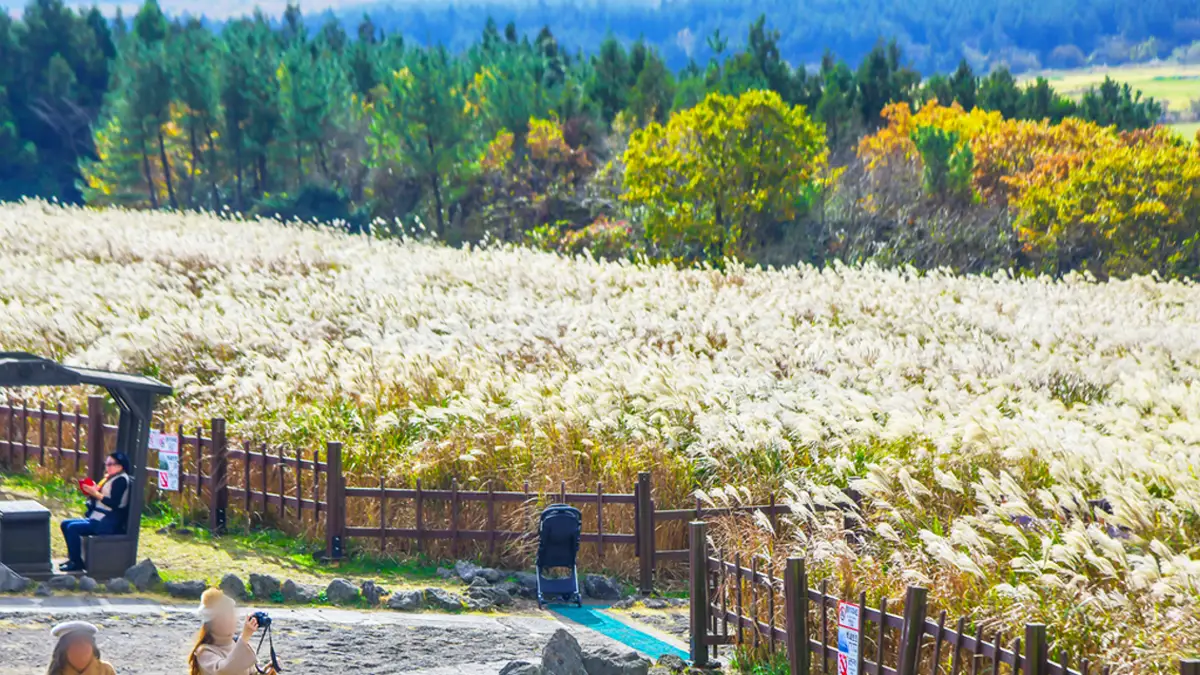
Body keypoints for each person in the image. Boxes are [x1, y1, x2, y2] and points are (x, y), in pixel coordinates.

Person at [59, 452, 132, 572]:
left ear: (120, 467)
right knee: (65, 524)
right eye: (106, 464)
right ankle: (73, 558)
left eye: (110, 464)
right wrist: (92, 491)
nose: (107, 467)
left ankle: (77, 563)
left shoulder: (121, 480)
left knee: (73, 528)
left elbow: (114, 503)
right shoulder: (109, 478)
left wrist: (96, 494)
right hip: (98, 517)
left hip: (108, 522)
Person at [189, 588, 275, 675]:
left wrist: (267, 671)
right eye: (225, 617)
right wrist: (245, 637)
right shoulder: (204, 652)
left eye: (232, 615)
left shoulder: (236, 643)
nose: (232, 620)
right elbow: (225, 671)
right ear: (212, 624)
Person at [45, 621, 117, 675]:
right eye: (76, 643)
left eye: (85, 642)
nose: (81, 649)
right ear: (63, 650)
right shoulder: (57, 671)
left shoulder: (105, 670)